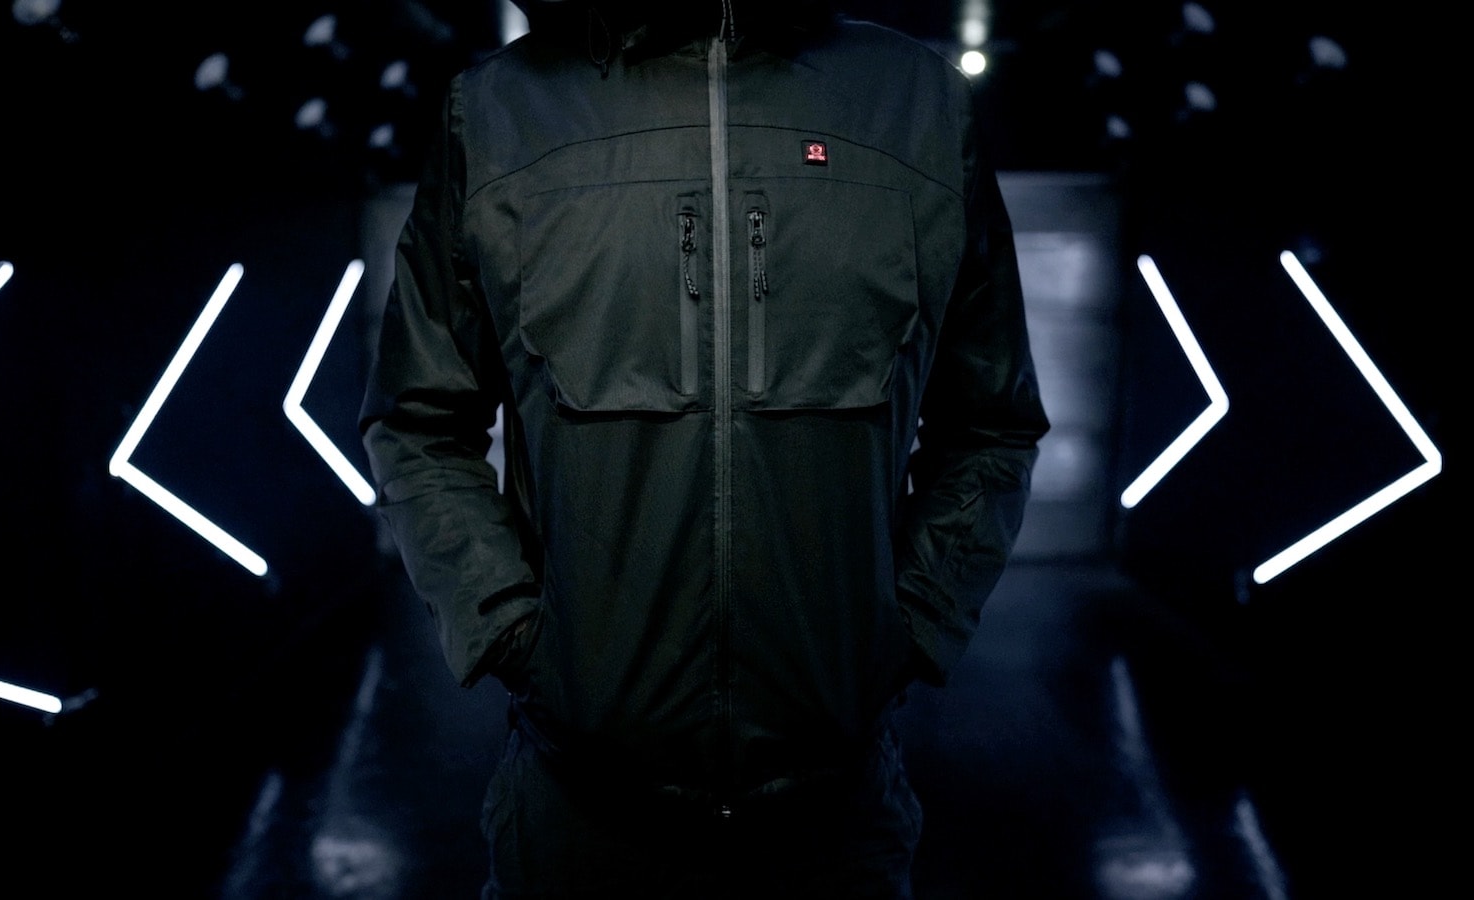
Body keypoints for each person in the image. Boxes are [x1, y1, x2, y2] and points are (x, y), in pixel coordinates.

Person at [358, 1, 1049, 897]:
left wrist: (910, 623)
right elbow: (416, 417)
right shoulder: (499, 112)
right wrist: (510, 631)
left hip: (835, 818)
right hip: (575, 816)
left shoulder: (915, 102)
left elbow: (990, 421)